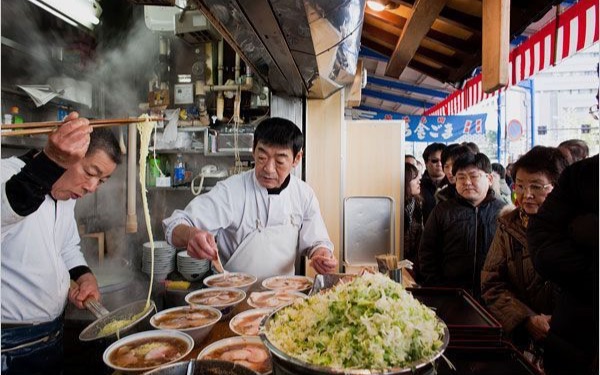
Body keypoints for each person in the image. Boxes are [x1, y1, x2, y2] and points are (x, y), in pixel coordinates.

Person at [1, 112, 121, 374]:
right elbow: (10, 205)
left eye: (101, 181)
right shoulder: (7, 175)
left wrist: (85, 276)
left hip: (51, 336)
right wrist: (50, 162)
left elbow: (66, 247)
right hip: (8, 347)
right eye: (90, 172)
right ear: (65, 155)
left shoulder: (66, 196)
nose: (92, 187)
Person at [163, 117, 337, 282]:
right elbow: (175, 224)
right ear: (253, 150)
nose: (268, 169)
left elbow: (317, 242)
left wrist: (322, 255)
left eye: (279, 161)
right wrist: (191, 235)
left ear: (296, 159)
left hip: (284, 299)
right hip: (234, 297)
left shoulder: (303, 194)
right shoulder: (230, 191)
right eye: (262, 158)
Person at [481, 147, 569, 368]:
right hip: (524, 342)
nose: (526, 194)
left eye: (536, 187)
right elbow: (491, 283)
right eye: (519, 185)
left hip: (575, 342)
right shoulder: (508, 226)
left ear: (557, 187)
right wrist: (526, 319)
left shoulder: (578, 228)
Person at [528, 154, 599, 375]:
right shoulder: (582, 174)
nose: (527, 194)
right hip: (573, 338)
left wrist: (584, 232)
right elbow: (543, 250)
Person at [418, 152, 506, 299]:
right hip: (450, 296)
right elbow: (427, 253)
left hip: (494, 298)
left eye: (473, 176)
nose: (467, 182)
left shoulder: (503, 213)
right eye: (461, 177)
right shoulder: (442, 211)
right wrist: (438, 287)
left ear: (489, 179)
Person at [403, 162, 423, 276]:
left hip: (415, 262)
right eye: (414, 178)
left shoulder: (417, 204)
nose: (418, 181)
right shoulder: (398, 207)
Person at [420, 143, 446, 222]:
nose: (439, 164)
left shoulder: (455, 185)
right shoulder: (418, 186)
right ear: (426, 163)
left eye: (443, 160)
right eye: (435, 161)